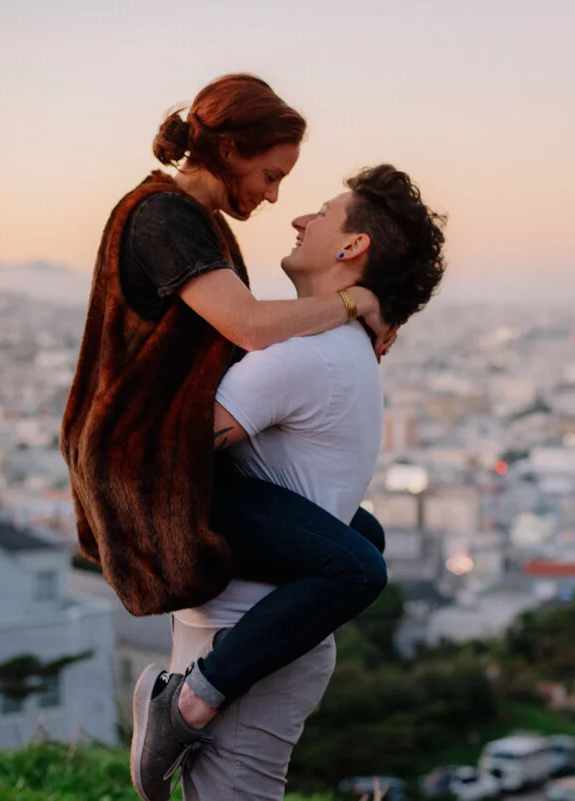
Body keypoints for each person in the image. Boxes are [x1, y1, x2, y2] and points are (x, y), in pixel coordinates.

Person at [57, 75, 399, 796]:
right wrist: (352, 300)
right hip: (151, 465)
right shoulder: (161, 214)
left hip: (182, 456)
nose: (274, 196)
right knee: (359, 569)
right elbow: (246, 325)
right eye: (271, 174)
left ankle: (200, 689)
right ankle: (188, 699)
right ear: (230, 149)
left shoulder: (201, 224)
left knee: (364, 536)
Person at [139, 164, 445, 800]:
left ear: (350, 246)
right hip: (266, 633)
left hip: (239, 637)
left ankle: (184, 703)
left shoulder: (301, 354)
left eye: (322, 213)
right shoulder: (343, 346)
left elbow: (172, 455)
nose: (299, 218)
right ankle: (172, 703)